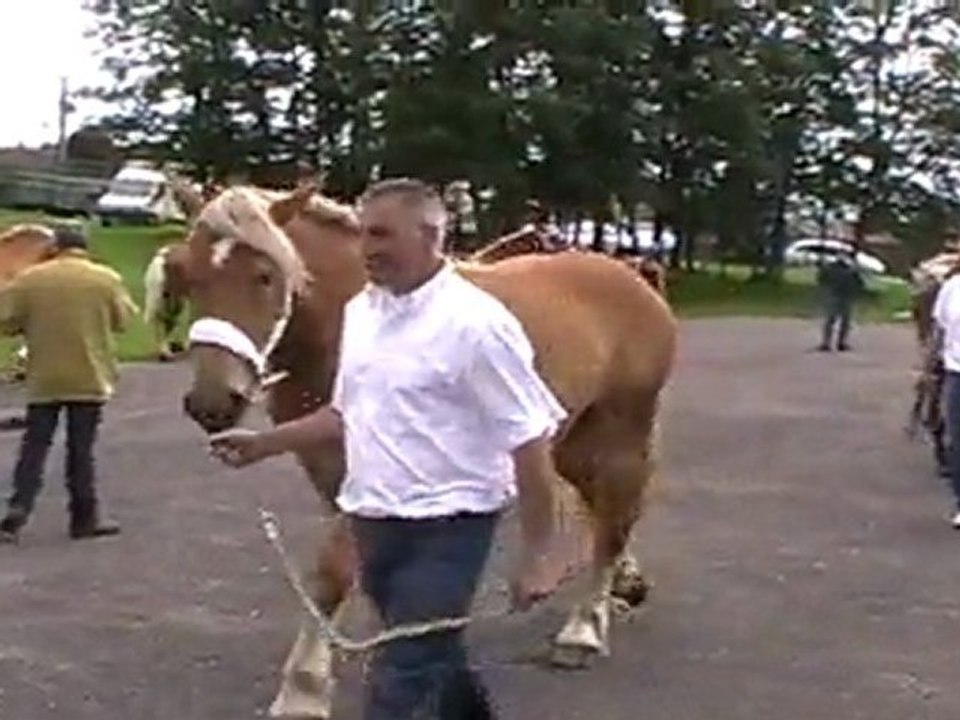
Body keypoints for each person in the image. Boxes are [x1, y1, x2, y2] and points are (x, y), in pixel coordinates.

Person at [210, 177, 573, 719]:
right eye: (363, 234)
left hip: (449, 527)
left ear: (430, 235)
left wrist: (540, 551)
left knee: (400, 678)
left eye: (382, 234)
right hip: (375, 520)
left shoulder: (477, 325)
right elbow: (347, 413)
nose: (368, 248)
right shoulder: (363, 312)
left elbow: (528, 435)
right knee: (433, 661)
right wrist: (266, 443)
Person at [0, 224, 138, 544]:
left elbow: (5, 322)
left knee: (34, 446)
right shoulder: (105, 279)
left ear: (53, 248)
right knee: (81, 449)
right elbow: (123, 321)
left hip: (44, 375)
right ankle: (83, 517)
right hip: (90, 374)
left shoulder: (31, 279)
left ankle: (17, 510)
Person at [932, 261, 960, 528]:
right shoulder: (952, 288)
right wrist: (930, 366)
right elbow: (939, 328)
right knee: (957, 440)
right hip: (956, 372)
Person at [817, 246, 865, 352]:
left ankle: (840, 343)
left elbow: (859, 283)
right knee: (831, 320)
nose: (842, 257)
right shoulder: (831, 267)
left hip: (845, 296)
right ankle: (827, 342)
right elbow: (822, 279)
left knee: (843, 321)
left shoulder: (850, 269)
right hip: (835, 295)